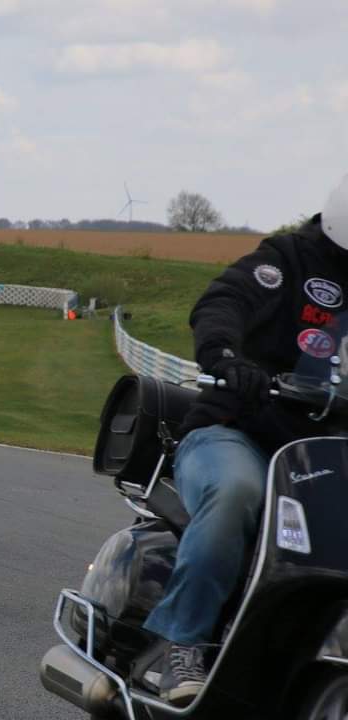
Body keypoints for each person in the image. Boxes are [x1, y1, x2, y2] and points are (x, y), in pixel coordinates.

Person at [143, 175, 348, 706]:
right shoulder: (288, 259)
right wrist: (227, 358)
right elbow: (225, 301)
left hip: (331, 453)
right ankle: (180, 644)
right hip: (239, 430)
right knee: (237, 492)